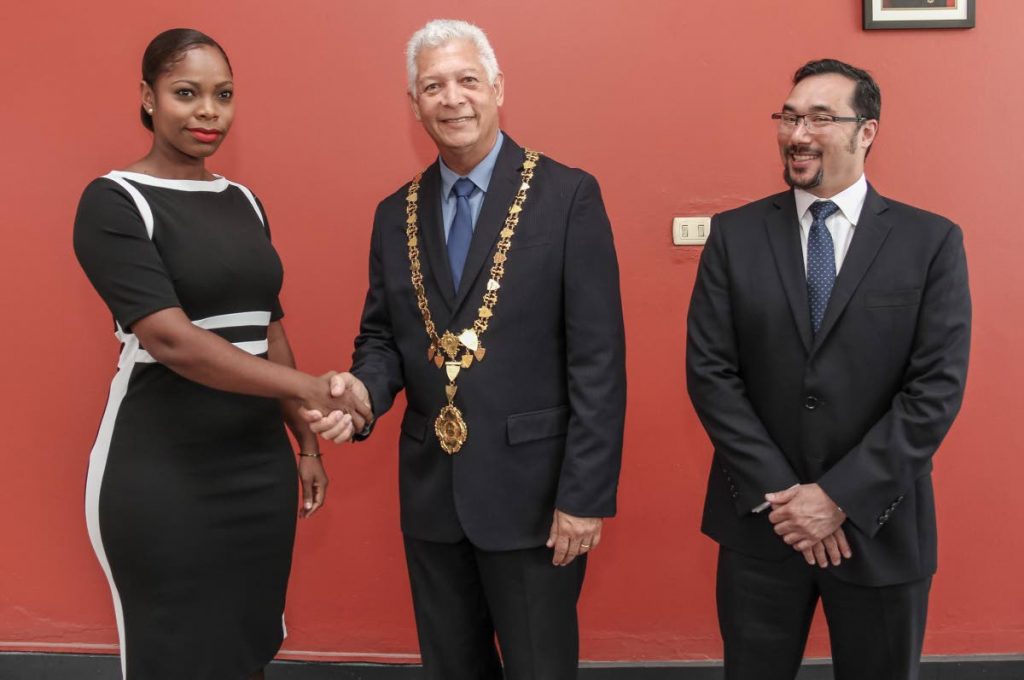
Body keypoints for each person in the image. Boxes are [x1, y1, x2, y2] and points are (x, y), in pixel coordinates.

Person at [304, 19, 626, 680]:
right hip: (432, 499)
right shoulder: (394, 212)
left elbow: (598, 361)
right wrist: (363, 393)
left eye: (466, 81)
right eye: (433, 86)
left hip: (536, 500)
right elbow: (383, 339)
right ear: (414, 104)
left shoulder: (567, 197)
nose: (452, 99)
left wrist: (585, 495)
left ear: (498, 88)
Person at [73, 28, 369, 680]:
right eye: (187, 93)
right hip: (160, 473)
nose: (209, 111)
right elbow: (173, 340)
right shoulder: (115, 201)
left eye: (223, 95)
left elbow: (267, 324)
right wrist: (317, 390)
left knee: (243, 648)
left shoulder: (244, 202)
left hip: (256, 469)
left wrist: (306, 440)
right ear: (149, 98)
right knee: (176, 655)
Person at [686, 58, 970, 680]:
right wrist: (790, 502)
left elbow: (934, 392)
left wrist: (839, 498)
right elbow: (711, 375)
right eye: (789, 117)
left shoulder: (931, 243)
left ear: (865, 131)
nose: (798, 134)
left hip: (881, 525)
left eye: (819, 118)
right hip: (763, 525)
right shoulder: (733, 236)